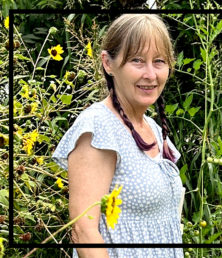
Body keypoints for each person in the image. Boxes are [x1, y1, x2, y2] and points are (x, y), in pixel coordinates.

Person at [52, 14, 184, 258]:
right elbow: (84, 231)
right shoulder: (98, 128)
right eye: (137, 60)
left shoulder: (153, 128)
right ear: (108, 63)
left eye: (159, 61)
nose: (150, 74)